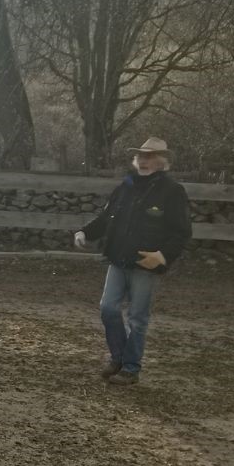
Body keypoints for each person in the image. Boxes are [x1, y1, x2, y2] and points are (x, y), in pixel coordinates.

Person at [74, 137, 192, 385]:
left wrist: (163, 256)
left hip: (146, 265)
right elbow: (106, 217)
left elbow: (181, 232)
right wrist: (84, 232)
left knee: (138, 318)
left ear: (162, 161)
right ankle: (118, 357)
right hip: (118, 260)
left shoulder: (172, 191)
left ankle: (131, 368)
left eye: (149, 157)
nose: (144, 161)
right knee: (108, 309)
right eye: (141, 156)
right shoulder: (125, 187)